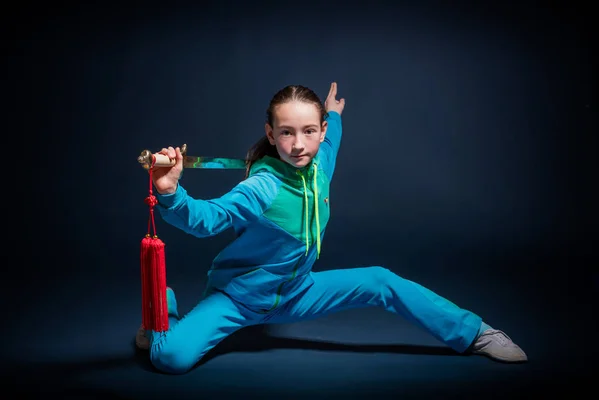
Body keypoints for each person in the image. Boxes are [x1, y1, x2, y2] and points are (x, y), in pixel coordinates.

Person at [135, 82, 527, 374]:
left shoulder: (322, 159)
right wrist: (171, 193)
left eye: (309, 131)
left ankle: (475, 334)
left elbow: (333, 137)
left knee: (380, 281)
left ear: (320, 131)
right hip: (238, 299)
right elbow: (208, 220)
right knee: (171, 359)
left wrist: (334, 112)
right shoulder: (261, 186)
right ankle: (162, 312)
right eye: (286, 132)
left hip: (298, 292)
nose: (299, 144)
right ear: (271, 135)